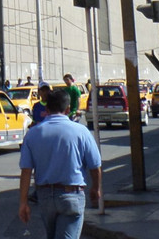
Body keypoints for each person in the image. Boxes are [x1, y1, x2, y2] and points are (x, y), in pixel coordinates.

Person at [18, 88, 102, 239]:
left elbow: (26, 171)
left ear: (46, 109)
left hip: (45, 198)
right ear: (68, 109)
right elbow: (95, 166)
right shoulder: (81, 131)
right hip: (71, 195)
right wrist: (95, 188)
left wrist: (23, 202)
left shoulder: (32, 134)